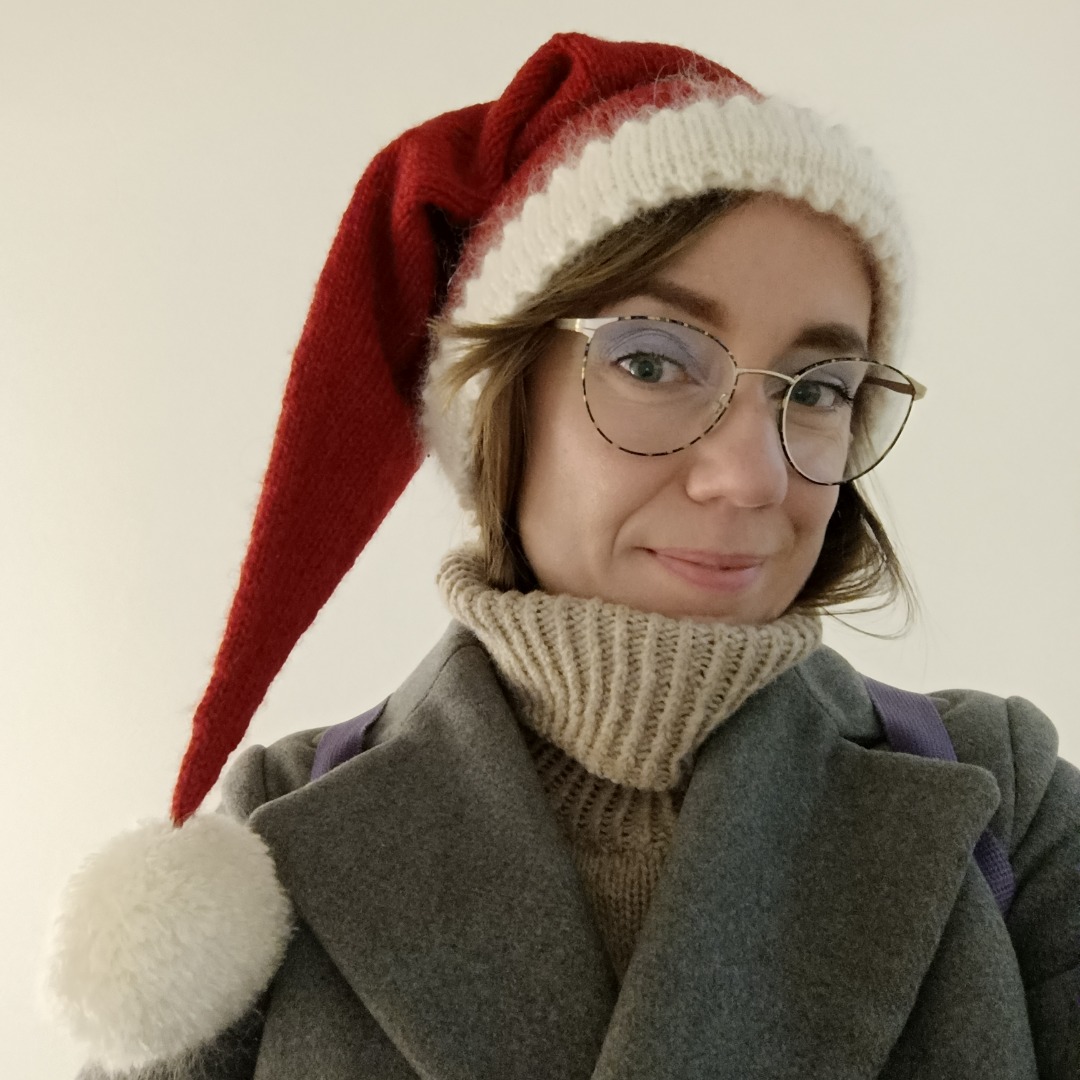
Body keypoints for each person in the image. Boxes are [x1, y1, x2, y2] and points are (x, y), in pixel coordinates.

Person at [46, 32, 1078, 1079]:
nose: (752, 476)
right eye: (652, 361)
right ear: (501, 401)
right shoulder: (269, 846)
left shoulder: (1006, 804)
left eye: (816, 390)